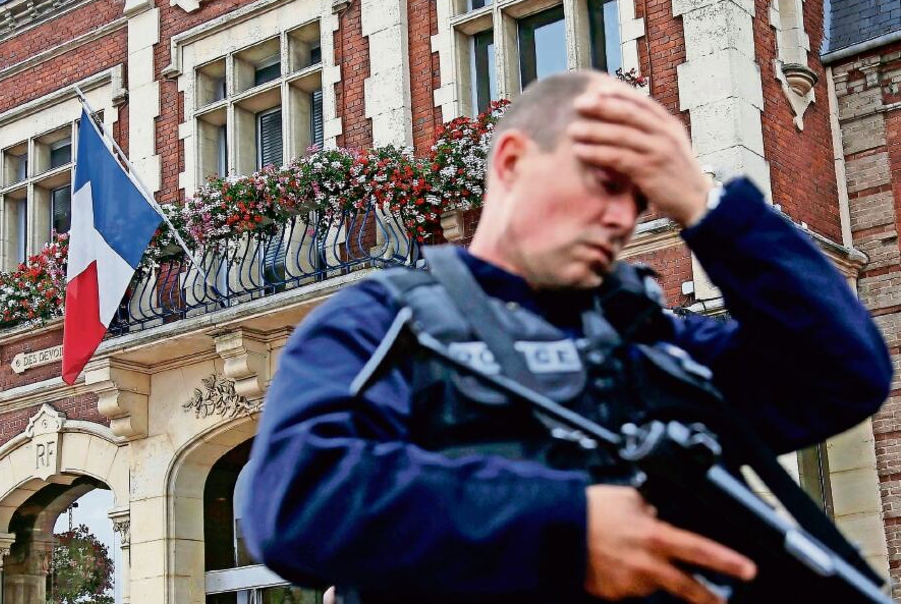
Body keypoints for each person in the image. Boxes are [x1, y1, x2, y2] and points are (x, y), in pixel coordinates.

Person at [241, 71, 893, 603]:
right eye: (604, 184)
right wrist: (566, 524)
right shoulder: (384, 320)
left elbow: (842, 375)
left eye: (640, 201)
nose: (621, 218)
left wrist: (706, 205)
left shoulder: (644, 346)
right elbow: (299, 499)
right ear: (513, 161)